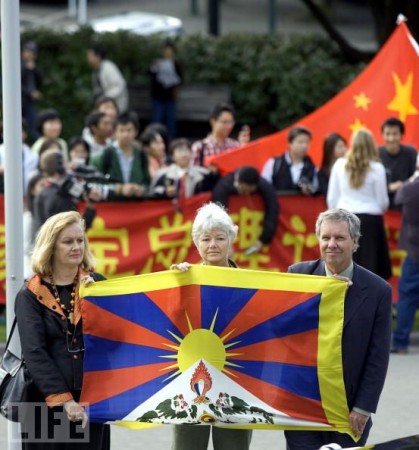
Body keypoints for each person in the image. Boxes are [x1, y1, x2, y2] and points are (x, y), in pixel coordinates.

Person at [284, 208, 392, 449]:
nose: (331, 244)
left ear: (355, 242)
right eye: (326, 238)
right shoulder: (297, 276)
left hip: (349, 411)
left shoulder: (378, 291)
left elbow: (378, 357)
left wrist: (363, 408)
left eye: (340, 238)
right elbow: (279, 328)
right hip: (302, 406)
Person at [15, 211, 111, 449]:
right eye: (68, 242)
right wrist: (65, 401)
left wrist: (96, 302)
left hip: (91, 399)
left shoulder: (97, 284)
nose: (76, 247)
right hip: (44, 401)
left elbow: (120, 334)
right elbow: (34, 352)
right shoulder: (30, 294)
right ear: (51, 247)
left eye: (80, 240)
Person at [170, 202, 252, 450]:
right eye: (206, 239)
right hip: (190, 379)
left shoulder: (250, 283)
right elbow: (170, 321)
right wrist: (176, 285)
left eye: (220, 238)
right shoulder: (185, 277)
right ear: (197, 244)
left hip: (236, 377)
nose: (213, 245)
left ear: (231, 240)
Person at [327, 128, 392, 280]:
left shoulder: (339, 165)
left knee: (343, 265)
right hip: (371, 222)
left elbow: (332, 199)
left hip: (345, 219)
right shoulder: (377, 168)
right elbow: (383, 202)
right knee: (371, 269)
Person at [212, 165, 279, 255]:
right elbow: (218, 215)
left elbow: (272, 210)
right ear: (239, 183)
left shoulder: (263, 184)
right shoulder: (223, 186)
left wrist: (263, 240)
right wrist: (224, 241)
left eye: (250, 191)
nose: (247, 193)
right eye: (244, 190)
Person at [33, 150, 99, 233]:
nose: (68, 166)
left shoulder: (41, 194)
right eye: (65, 163)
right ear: (60, 167)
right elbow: (76, 231)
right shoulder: (61, 196)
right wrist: (90, 208)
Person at [391, 159, 419, 353]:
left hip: (414, 250)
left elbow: (397, 199)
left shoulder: (410, 189)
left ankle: (400, 341)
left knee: (407, 296)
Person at [90, 111, 150, 201]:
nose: (125, 134)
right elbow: (93, 184)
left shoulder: (141, 155)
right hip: (111, 208)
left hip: (136, 207)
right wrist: (119, 189)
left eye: (129, 130)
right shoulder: (102, 156)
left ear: (136, 132)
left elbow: (147, 182)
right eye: (121, 130)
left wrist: (141, 189)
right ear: (115, 133)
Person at [150, 138, 218, 199]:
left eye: (186, 151)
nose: (184, 154)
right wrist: (164, 192)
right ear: (172, 156)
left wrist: (214, 174)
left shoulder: (204, 174)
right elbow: (151, 192)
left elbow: (213, 191)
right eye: (180, 151)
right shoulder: (162, 174)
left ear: (191, 154)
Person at [261, 126, 318, 195]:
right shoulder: (274, 164)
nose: (304, 146)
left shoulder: (313, 168)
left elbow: (317, 191)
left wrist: (310, 190)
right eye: (300, 142)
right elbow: (263, 187)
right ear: (290, 144)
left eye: (307, 142)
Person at [191, 103, 250, 167]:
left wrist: (243, 149)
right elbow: (193, 174)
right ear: (213, 122)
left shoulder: (236, 146)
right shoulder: (200, 147)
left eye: (231, 122)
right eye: (225, 122)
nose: (229, 126)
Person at [378, 117, 417, 210]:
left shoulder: (411, 152)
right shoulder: (376, 153)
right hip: (382, 206)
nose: (391, 138)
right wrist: (388, 187)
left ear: (401, 135)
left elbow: (416, 179)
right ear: (382, 135)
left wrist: (404, 185)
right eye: (387, 134)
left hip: (406, 205)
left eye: (395, 134)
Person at [149, 41, 183, 139]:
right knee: (157, 119)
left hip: (170, 97)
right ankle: (153, 138)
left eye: (170, 51)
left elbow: (180, 80)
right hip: (158, 96)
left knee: (170, 121)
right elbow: (151, 76)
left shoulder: (176, 64)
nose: (167, 53)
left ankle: (170, 140)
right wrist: (155, 67)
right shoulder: (157, 63)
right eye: (166, 51)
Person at [86, 45, 128, 114]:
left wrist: (105, 98)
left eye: (90, 56)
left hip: (116, 105)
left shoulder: (108, 67)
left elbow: (119, 85)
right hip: (105, 104)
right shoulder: (96, 70)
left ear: (98, 57)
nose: (88, 59)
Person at [21, 41, 43, 141]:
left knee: (34, 127)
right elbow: (15, 84)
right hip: (19, 102)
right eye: (28, 52)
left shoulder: (33, 66)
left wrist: (33, 69)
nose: (31, 55)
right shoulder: (17, 65)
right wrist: (30, 93)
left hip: (29, 103)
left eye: (33, 53)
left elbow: (41, 80)